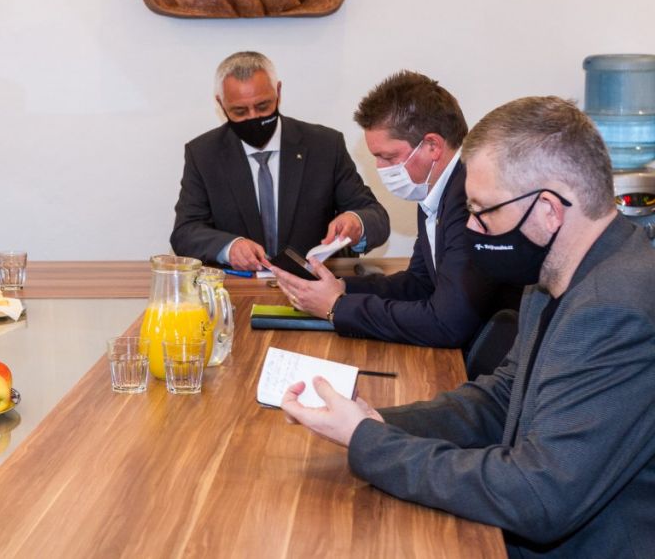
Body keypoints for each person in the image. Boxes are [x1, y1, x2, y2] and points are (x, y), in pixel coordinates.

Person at [280, 97, 655, 557]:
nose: (472, 229)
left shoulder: (613, 308)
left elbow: (538, 496)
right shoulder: (553, 279)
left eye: (483, 211)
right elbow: (501, 400)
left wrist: (370, 443)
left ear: (548, 209)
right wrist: (375, 421)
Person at [272, 71, 521, 349]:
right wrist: (342, 288)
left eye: (388, 157)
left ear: (432, 146)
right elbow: (419, 283)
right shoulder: (435, 189)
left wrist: (337, 307)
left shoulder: (470, 200)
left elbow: (446, 324)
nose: (381, 169)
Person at [170, 51, 389, 270]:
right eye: (239, 111)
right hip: (239, 285)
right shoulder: (203, 154)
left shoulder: (325, 146)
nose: (253, 117)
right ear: (221, 103)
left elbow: (375, 215)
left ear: (278, 92)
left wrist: (356, 222)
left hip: (314, 282)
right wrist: (229, 247)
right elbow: (185, 232)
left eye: (263, 106)